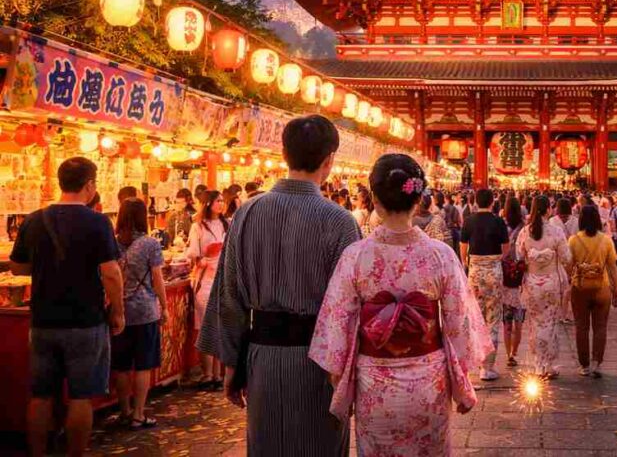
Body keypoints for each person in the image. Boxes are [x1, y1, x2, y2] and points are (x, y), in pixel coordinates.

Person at [199, 115, 361, 456]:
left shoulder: (246, 213)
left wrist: (232, 364)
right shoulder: (340, 221)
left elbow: (230, 297)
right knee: (321, 447)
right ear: (329, 160)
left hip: (264, 360)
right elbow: (350, 309)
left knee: (268, 445)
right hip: (321, 364)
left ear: (283, 154)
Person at [309, 154, 490, 455]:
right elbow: (462, 325)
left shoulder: (356, 256)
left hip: (374, 385)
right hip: (428, 383)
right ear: (418, 200)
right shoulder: (441, 255)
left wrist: (342, 383)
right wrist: (461, 384)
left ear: (375, 201)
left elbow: (336, 326)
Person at [9, 157, 124, 457]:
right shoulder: (98, 222)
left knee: (41, 396)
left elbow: (18, 267)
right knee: (81, 397)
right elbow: (111, 272)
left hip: (43, 321)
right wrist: (119, 312)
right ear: (89, 185)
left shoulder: (34, 220)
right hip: (85, 322)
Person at [111, 198, 167, 429]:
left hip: (118, 310)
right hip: (145, 310)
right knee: (143, 364)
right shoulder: (150, 244)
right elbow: (157, 278)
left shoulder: (112, 244)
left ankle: (124, 410)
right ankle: (138, 413)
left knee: (121, 365)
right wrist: (164, 306)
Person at [517, 195, 570, 378]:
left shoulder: (525, 232)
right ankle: (548, 363)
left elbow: (519, 255)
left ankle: (537, 363)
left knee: (534, 323)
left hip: (532, 282)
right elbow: (566, 257)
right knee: (550, 322)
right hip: (551, 283)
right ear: (548, 209)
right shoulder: (556, 232)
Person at [461, 188, 509, 381]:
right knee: (493, 318)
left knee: (476, 318)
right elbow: (506, 249)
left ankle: (477, 362)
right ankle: (488, 367)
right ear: (492, 202)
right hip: (494, 272)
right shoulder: (498, 222)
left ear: (476, 202)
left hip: (475, 272)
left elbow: (463, 249)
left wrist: (469, 264)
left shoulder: (468, 221)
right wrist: (494, 261)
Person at [569, 204, 617, 377]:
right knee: (600, 327)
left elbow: (569, 266)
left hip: (580, 287)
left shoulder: (574, 240)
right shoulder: (606, 240)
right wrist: (616, 289)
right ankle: (596, 363)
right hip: (601, 287)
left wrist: (567, 286)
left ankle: (584, 365)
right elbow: (613, 267)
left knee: (581, 327)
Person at [187, 189, 228, 388]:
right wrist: (206, 258)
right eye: (217, 201)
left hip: (222, 281)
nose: (221, 204)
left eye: (222, 201)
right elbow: (194, 254)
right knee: (206, 326)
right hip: (205, 281)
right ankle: (207, 374)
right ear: (208, 204)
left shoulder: (226, 224)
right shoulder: (198, 227)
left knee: (220, 326)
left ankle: (218, 374)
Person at [501, 196, 527, 367]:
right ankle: (514, 354)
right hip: (520, 273)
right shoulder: (524, 228)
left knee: (506, 320)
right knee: (518, 320)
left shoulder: (501, 225)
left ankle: (507, 351)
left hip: (505, 273)